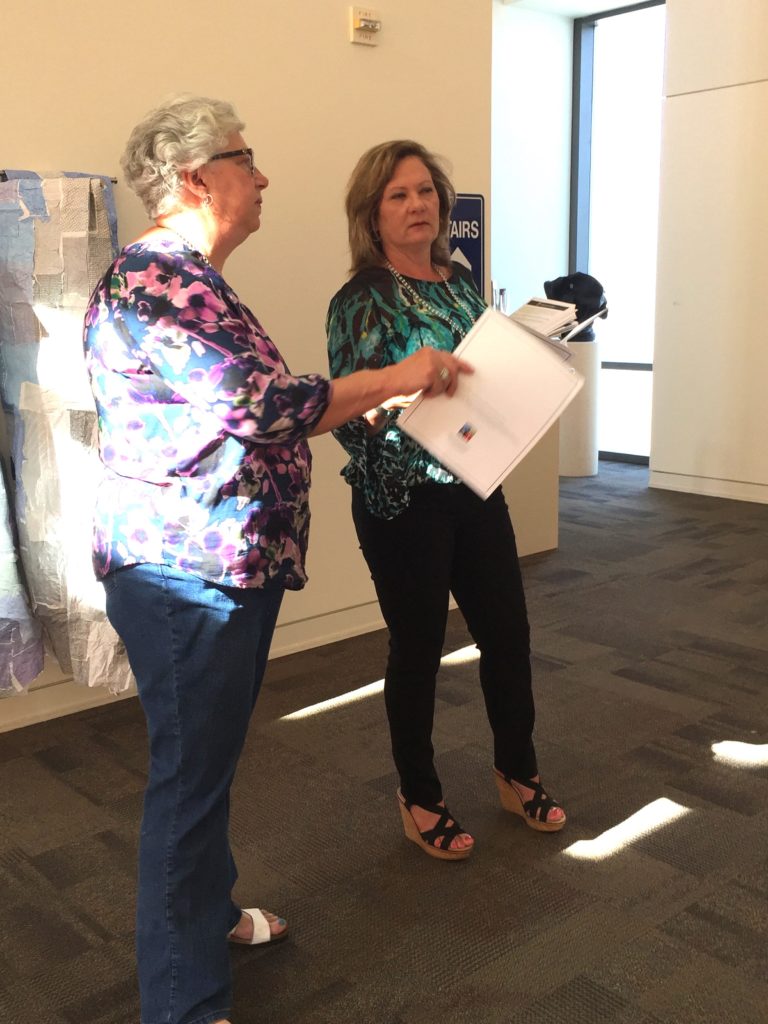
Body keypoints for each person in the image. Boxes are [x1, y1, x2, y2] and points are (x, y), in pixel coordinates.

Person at [83, 99, 470, 1024]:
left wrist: (363, 401)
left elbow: (253, 405)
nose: (261, 178)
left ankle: (207, 915)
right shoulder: (162, 282)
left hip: (219, 565)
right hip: (187, 575)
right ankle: (182, 1003)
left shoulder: (190, 280)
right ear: (195, 180)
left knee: (204, 767)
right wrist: (392, 377)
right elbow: (261, 406)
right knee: (188, 786)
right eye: (244, 160)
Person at [326, 140, 566, 863]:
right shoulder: (361, 299)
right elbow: (348, 415)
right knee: (419, 650)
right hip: (402, 501)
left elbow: (484, 373)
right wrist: (400, 401)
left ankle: (517, 771)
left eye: (426, 191)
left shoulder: (459, 282)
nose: (418, 206)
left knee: (508, 636)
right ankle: (420, 795)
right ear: (372, 213)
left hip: (475, 485)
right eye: (399, 195)